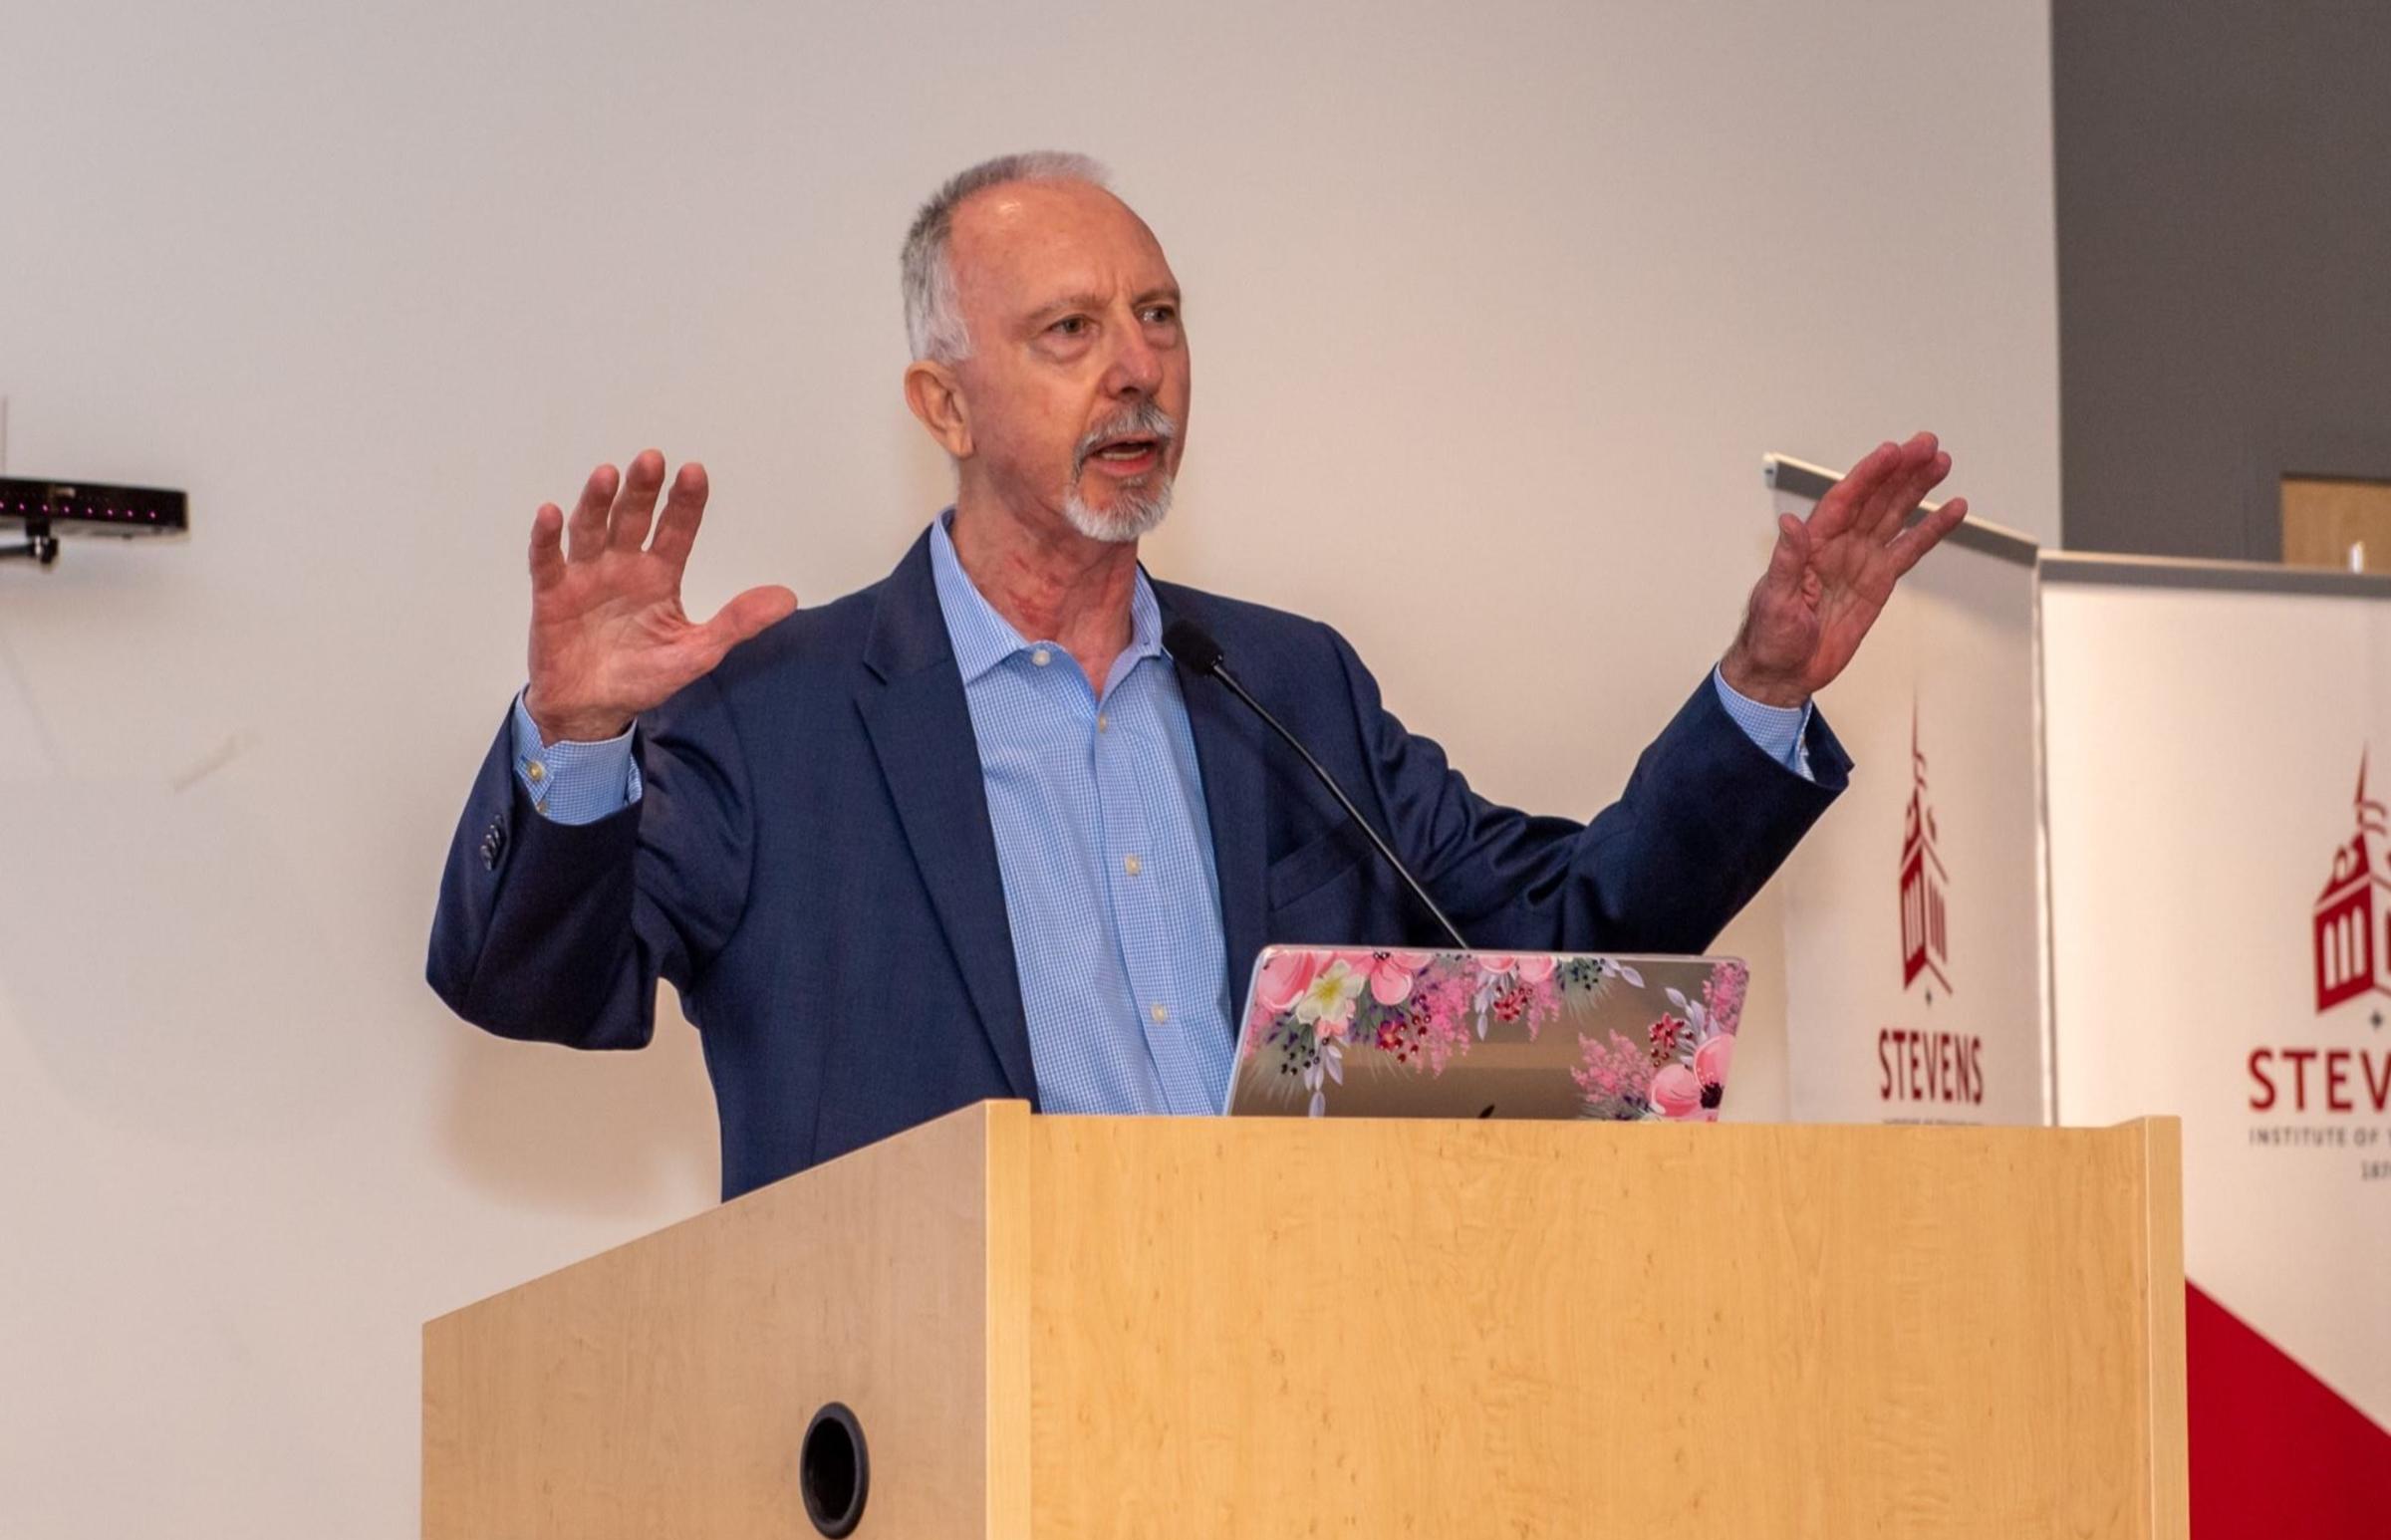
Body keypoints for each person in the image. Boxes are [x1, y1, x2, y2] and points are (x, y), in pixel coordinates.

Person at [428, 151, 1965, 1200]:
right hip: (941, 1442)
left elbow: (1567, 962)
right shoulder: (781, 716)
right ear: (943, 405)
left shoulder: (1287, 688)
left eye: (1158, 317)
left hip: (1288, 1406)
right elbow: (537, 985)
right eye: (1070, 330)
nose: (1137, 367)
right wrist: (577, 737)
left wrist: (1762, 687)